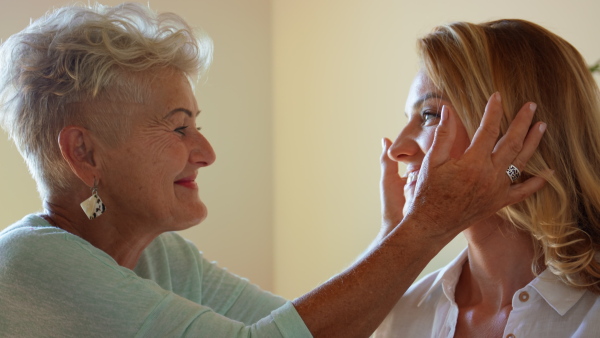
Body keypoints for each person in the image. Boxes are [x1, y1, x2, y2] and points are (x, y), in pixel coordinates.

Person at [0, 4, 546, 337]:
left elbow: (301, 328)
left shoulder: (159, 258)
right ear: (85, 154)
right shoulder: (27, 266)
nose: (206, 151)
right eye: (178, 127)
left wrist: (393, 234)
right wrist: (424, 227)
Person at [375, 19, 600, 337]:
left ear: (515, 130)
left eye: (430, 114)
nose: (397, 149)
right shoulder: (403, 314)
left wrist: (511, 174)